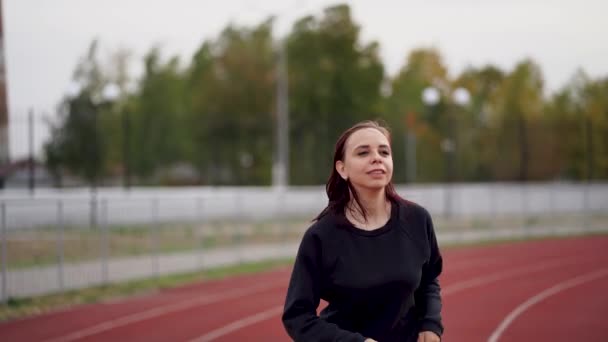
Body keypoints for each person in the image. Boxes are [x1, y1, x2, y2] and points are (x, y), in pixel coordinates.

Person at [282, 120, 443, 342]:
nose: (377, 157)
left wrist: (430, 324)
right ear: (342, 168)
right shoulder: (321, 236)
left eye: (384, 152)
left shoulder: (417, 220)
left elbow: (428, 280)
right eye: (363, 152)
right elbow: (297, 317)